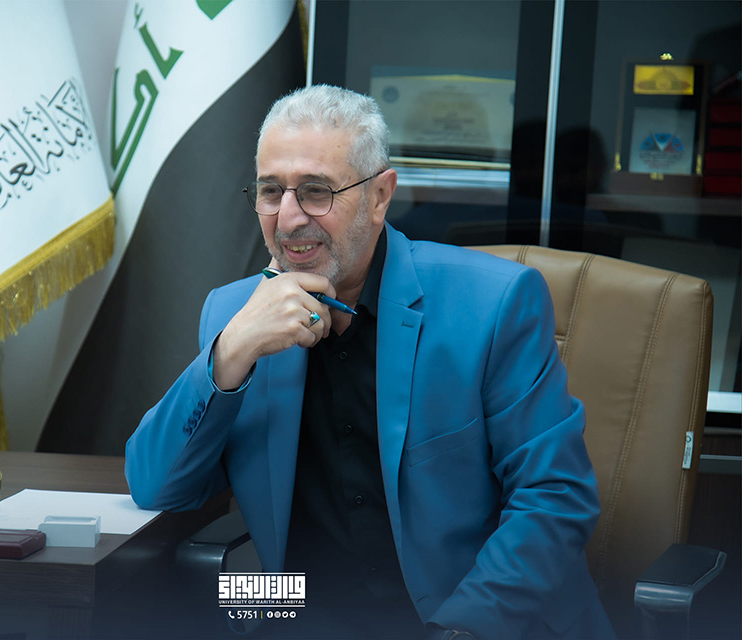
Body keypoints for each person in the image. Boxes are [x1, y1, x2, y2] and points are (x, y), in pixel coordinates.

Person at [125, 85, 615, 640]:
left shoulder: (493, 304)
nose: (288, 219)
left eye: (316, 191)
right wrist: (230, 352)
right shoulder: (235, 315)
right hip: (304, 619)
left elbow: (554, 497)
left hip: (471, 620)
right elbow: (156, 486)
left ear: (380, 196)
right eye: (270, 191)